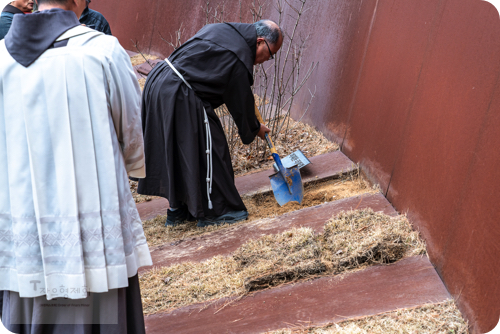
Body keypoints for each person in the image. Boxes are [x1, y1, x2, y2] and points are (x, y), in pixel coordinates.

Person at [0, 0, 151, 332]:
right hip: (92, 221)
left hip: (23, 226)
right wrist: (132, 166)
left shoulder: (0, 59)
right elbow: (134, 133)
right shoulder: (103, 52)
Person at [138, 20, 283, 227]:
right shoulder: (239, 56)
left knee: (178, 149)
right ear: (259, 42)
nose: (268, 59)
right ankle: (216, 211)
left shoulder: (223, 29)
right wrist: (254, 128)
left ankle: (177, 210)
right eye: (270, 53)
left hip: (159, 82)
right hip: (179, 90)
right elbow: (240, 102)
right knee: (212, 148)